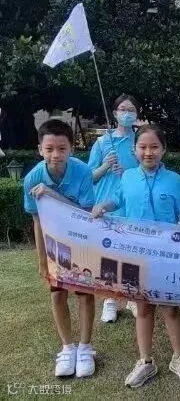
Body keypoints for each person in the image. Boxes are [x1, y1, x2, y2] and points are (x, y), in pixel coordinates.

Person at [92, 124, 180, 388]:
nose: (148, 152)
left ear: (164, 149)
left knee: (170, 308)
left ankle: (179, 357)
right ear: (134, 149)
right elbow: (117, 200)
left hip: (167, 256)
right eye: (142, 147)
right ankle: (145, 361)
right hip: (135, 254)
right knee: (143, 307)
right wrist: (103, 206)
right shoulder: (127, 177)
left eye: (154, 147)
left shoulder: (174, 179)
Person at [23, 119, 96, 378]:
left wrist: (53, 195)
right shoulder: (32, 178)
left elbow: (85, 215)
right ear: (40, 149)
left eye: (62, 148)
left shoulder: (83, 172)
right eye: (50, 149)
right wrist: (42, 260)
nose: (56, 154)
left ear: (71, 149)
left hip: (82, 241)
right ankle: (67, 347)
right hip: (54, 245)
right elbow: (37, 221)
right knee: (57, 294)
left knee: (85, 294)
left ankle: (85, 347)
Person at [88, 94, 140, 323]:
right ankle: (110, 300)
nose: (127, 113)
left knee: (131, 251)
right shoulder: (102, 143)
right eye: (123, 109)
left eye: (131, 110)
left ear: (136, 114)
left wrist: (129, 170)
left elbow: (148, 170)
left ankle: (131, 296)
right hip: (106, 204)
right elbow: (90, 177)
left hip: (131, 204)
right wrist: (105, 166)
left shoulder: (140, 141)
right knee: (108, 254)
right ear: (115, 113)